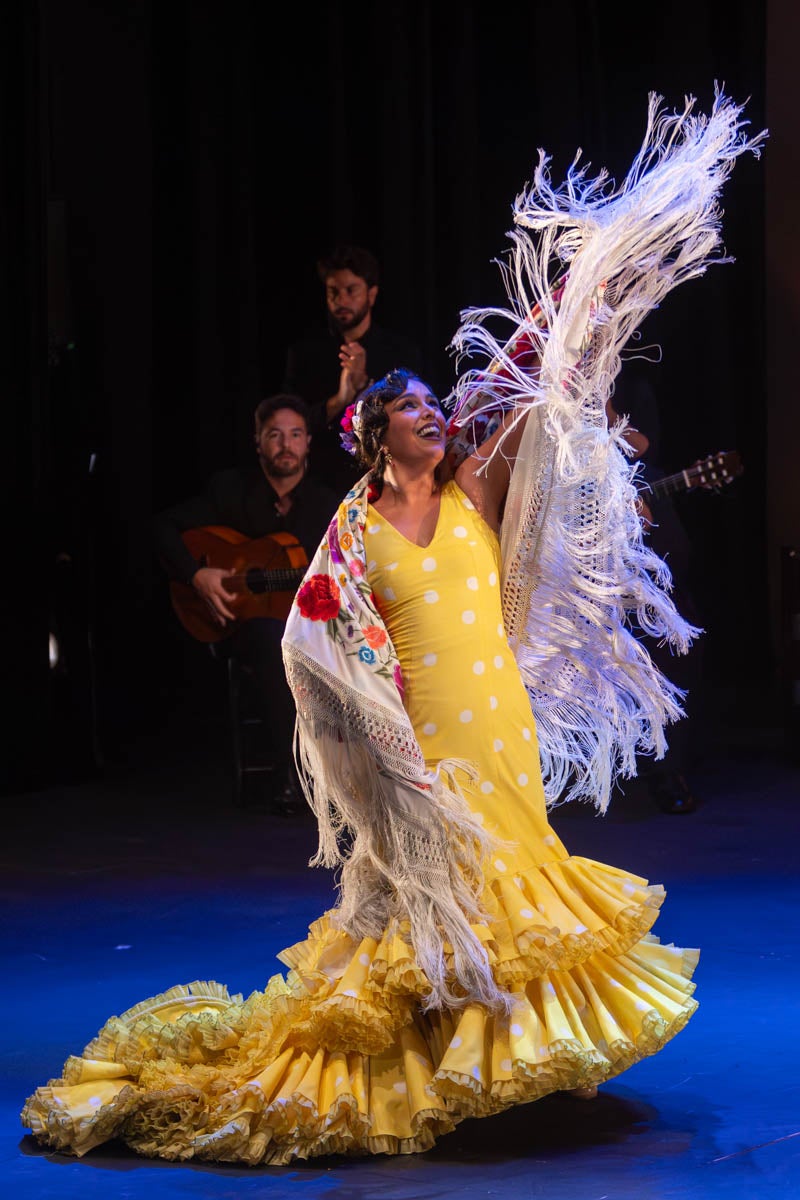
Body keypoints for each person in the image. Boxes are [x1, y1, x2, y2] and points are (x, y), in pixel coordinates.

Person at [23, 91, 762, 1165]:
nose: (434, 413)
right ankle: (432, 1062)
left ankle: (507, 1060)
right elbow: (308, 639)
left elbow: (528, 393)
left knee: (514, 887)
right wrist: (376, 725)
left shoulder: (472, 489)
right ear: (377, 433)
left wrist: (585, 296)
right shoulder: (354, 528)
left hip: (496, 722)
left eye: (433, 405)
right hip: (422, 741)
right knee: (432, 898)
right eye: (414, 407)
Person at [152, 393, 338, 812]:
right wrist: (196, 575)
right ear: (258, 441)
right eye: (275, 435)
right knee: (271, 639)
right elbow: (162, 527)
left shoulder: (327, 504)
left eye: (295, 434)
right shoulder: (230, 490)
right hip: (241, 629)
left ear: (309, 441)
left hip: (314, 631)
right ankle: (291, 775)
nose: (285, 445)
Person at [609, 365, 704, 814]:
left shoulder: (631, 387)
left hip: (642, 518)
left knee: (670, 652)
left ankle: (669, 769)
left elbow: (642, 447)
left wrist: (604, 411)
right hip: (579, 535)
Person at [282, 244, 424, 494]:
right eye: (333, 292)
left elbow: (414, 417)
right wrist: (341, 399)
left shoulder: (401, 353)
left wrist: (367, 387)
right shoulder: (305, 354)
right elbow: (293, 425)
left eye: (351, 290)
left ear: (371, 294)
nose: (341, 300)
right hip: (320, 486)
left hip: (386, 484)